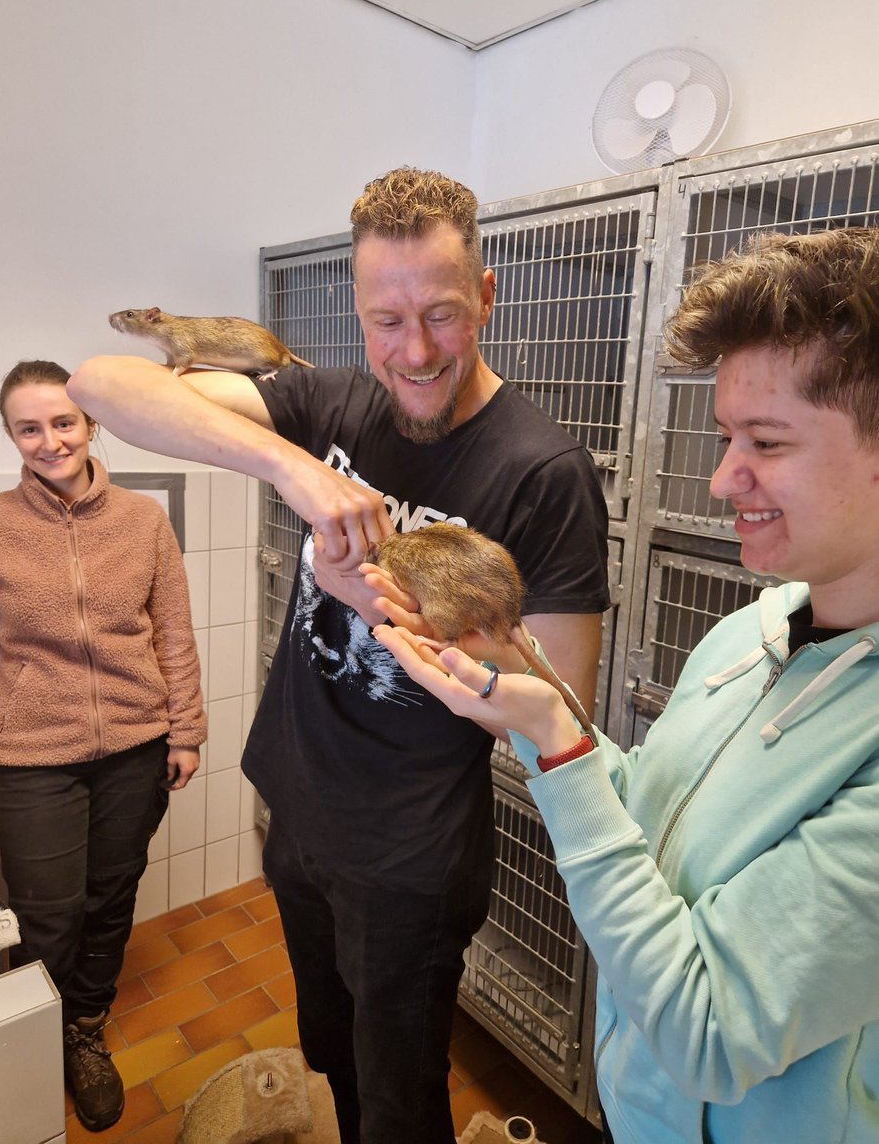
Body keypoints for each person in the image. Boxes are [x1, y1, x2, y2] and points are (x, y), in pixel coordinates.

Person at [67, 166, 611, 1143]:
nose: (412, 351)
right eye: (384, 320)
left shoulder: (543, 471)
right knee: (331, 1053)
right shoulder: (336, 406)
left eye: (441, 316)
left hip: (407, 856)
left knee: (401, 1099)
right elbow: (99, 386)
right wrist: (293, 467)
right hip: (298, 806)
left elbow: (558, 700)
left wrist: (394, 606)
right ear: (357, 311)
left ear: (485, 296)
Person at [374, 226, 879, 1144]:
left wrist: (561, 749)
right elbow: (643, 806)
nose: (725, 477)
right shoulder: (749, 630)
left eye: (765, 440)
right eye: (727, 435)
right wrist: (533, 703)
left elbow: (711, 1032)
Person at [0, 361, 206, 1133]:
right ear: (12, 436)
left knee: (111, 901)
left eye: (64, 422)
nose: (51, 441)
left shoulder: (144, 519)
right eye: (30, 428)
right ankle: (38, 1038)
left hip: (135, 749)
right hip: (30, 757)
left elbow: (173, 631)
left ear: (90, 423)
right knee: (45, 916)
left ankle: (83, 1033)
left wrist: (187, 730)